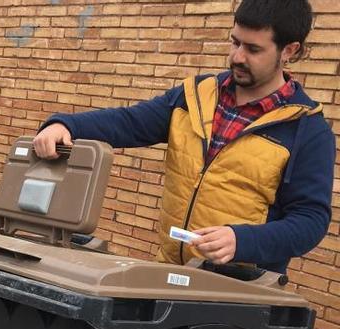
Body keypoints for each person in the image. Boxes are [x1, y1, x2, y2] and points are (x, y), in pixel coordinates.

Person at [33, 0, 335, 277]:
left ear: (289, 51)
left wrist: (243, 240)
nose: (237, 56)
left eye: (253, 49)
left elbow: (310, 221)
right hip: (169, 274)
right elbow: (129, 122)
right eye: (234, 42)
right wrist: (67, 125)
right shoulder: (195, 96)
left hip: (240, 294)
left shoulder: (307, 130)